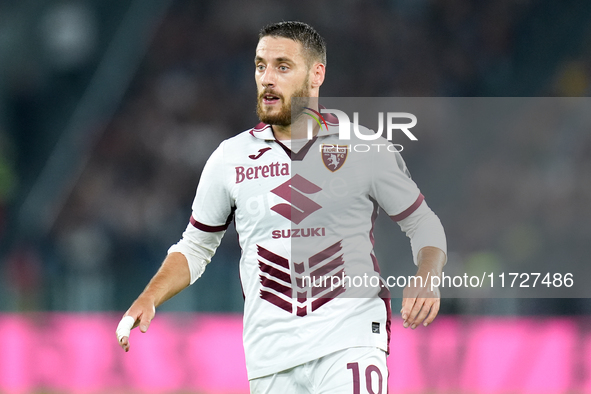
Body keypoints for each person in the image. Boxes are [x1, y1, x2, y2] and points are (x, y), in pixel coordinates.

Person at [117, 21, 447, 393]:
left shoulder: (363, 146)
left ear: (316, 74)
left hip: (349, 339)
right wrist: (149, 296)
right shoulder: (231, 158)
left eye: (282, 66)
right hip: (270, 355)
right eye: (260, 66)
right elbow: (195, 247)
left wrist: (428, 275)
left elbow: (424, 224)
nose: (267, 78)